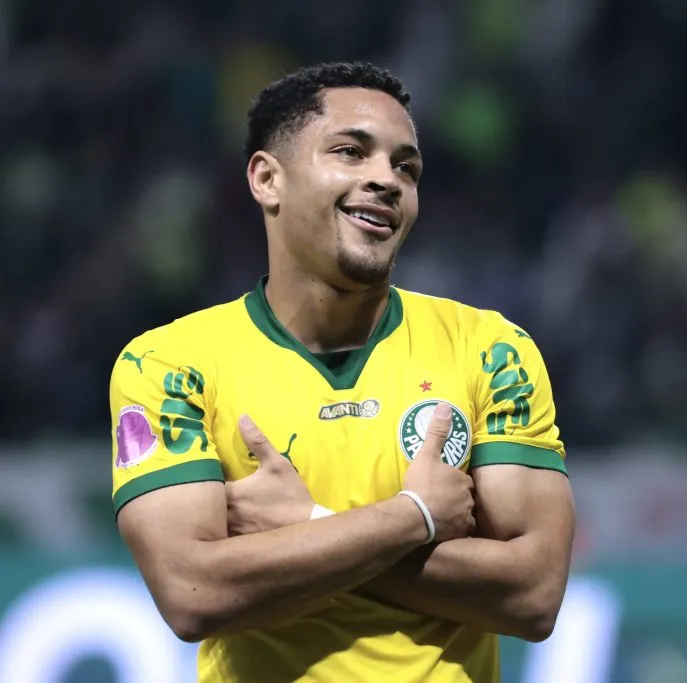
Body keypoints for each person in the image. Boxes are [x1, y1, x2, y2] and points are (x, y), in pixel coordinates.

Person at [110, 61, 576, 683]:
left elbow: (535, 594)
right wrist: (415, 518)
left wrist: (305, 528)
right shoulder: (170, 364)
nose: (386, 179)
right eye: (351, 152)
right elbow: (193, 593)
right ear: (267, 179)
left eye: (406, 167)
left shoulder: (490, 349)